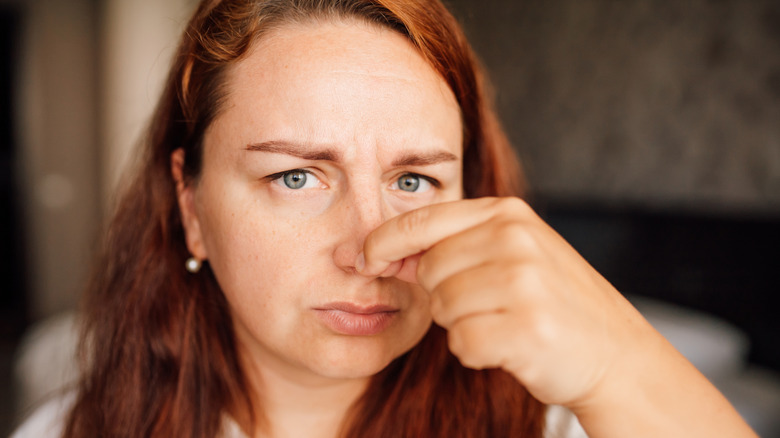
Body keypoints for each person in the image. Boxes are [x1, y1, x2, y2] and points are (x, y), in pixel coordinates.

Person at [12, 0, 757, 437]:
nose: (369, 251)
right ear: (190, 206)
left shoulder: (561, 423)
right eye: (296, 176)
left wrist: (619, 363)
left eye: (413, 178)